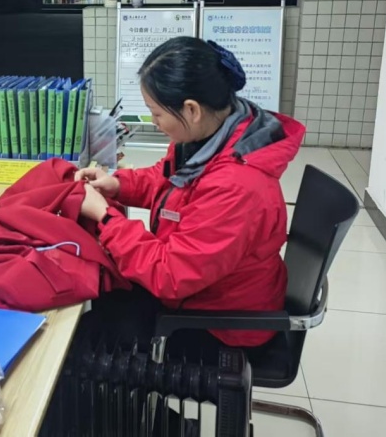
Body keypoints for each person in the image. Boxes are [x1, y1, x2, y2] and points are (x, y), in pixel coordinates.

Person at [75, 37, 305, 359]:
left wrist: (106, 217)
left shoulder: (236, 186)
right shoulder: (213, 137)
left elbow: (169, 275)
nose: (154, 123)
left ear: (192, 109)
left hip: (219, 325)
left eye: (156, 114)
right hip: (200, 291)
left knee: (82, 338)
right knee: (96, 293)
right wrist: (117, 184)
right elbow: (167, 179)